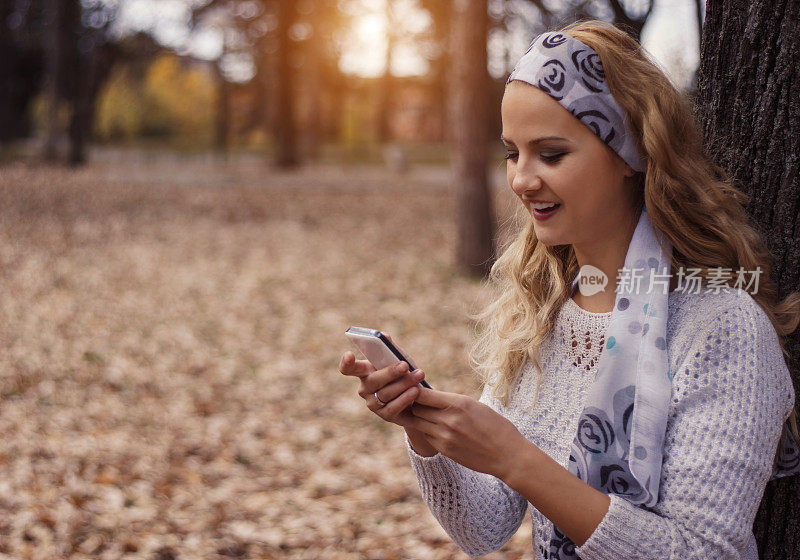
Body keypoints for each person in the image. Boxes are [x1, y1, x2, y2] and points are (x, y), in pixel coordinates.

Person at [338, 19, 800, 560]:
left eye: (551, 154)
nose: (521, 179)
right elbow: (483, 528)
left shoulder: (721, 328)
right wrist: (423, 429)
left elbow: (705, 552)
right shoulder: (543, 315)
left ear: (629, 153)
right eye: (513, 153)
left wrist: (519, 460)